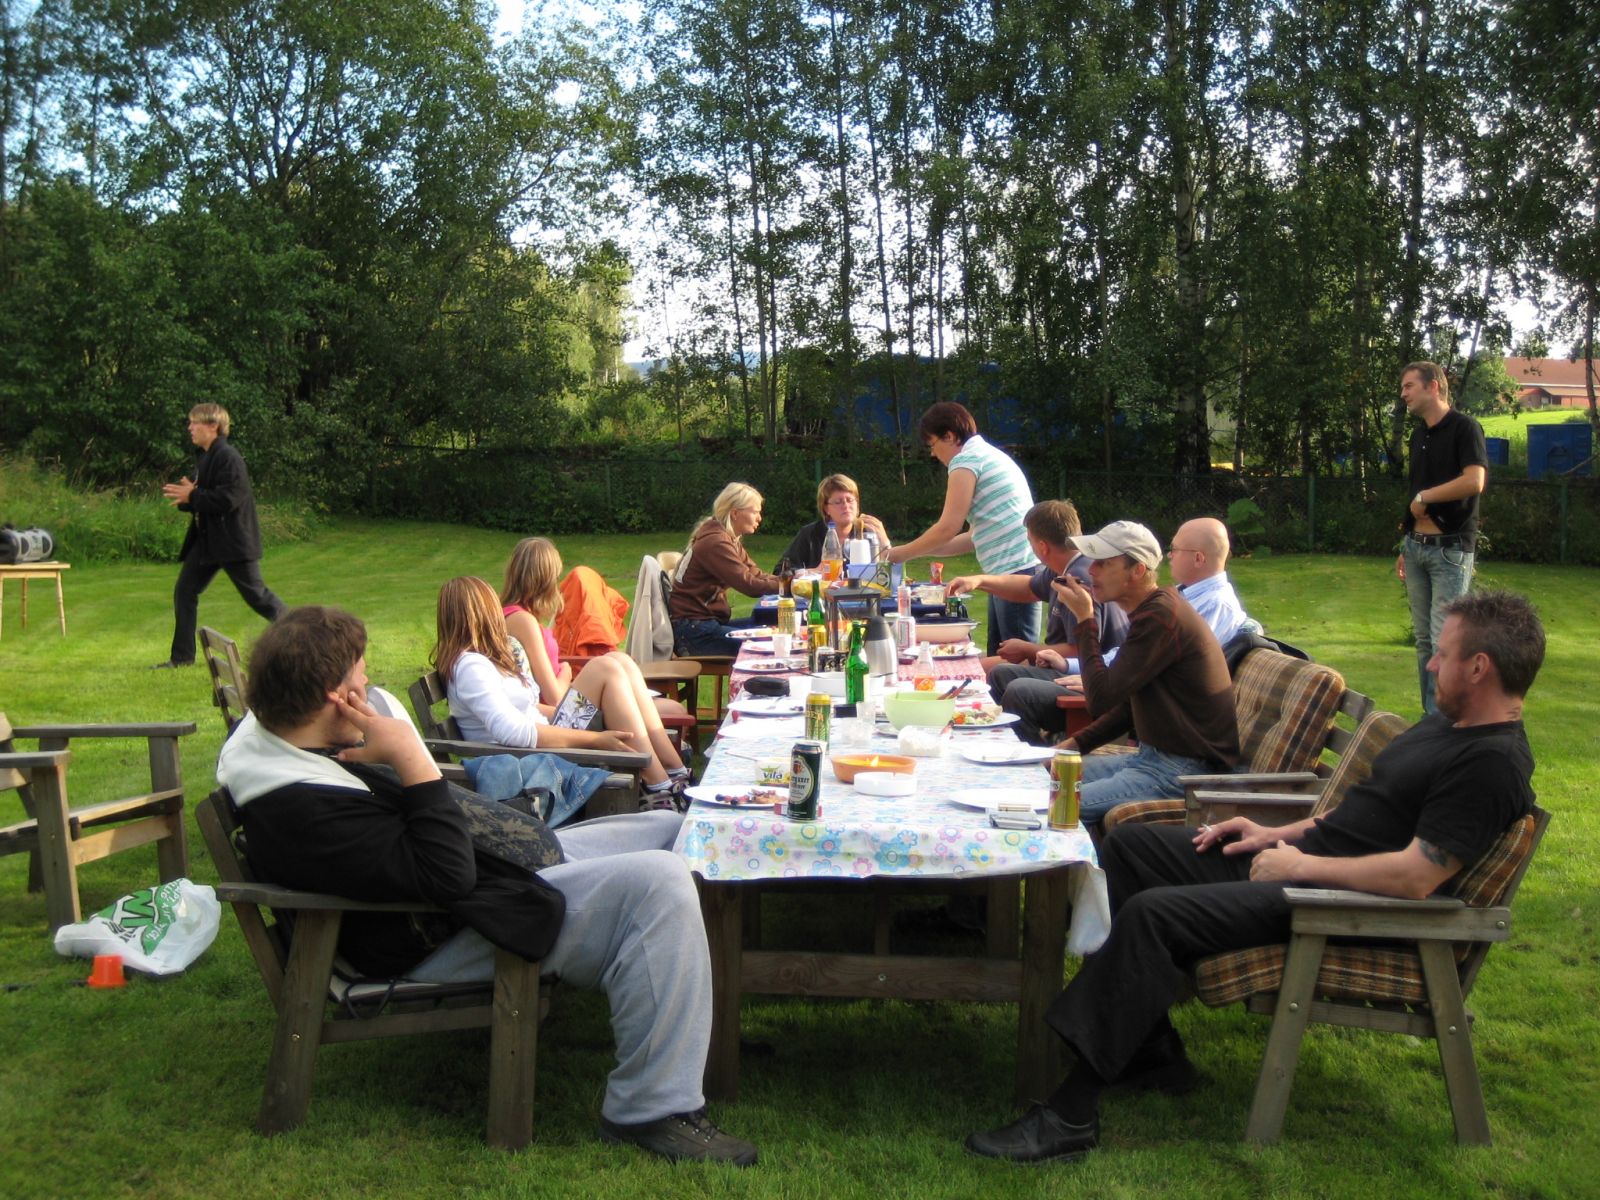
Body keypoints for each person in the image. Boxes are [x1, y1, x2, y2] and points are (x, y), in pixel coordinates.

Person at [965, 589, 1543, 1163]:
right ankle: (1148, 1049)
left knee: (1154, 915)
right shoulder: (1446, 727)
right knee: (1133, 847)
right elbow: (1362, 814)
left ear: (1479, 667)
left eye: (1443, 653)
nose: (1431, 664)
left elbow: (1417, 877)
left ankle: (1070, 1116)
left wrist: (1300, 865)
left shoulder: (1490, 764)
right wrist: (1274, 833)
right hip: (1306, 866)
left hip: (1342, 904)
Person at [216, 606, 758, 1165]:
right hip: (449, 930)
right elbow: (447, 877)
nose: (368, 681)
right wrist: (409, 756)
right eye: (360, 673)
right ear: (335, 697)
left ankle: (693, 1031)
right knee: (659, 881)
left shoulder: (293, 740)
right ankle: (651, 1109)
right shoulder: (304, 808)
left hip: (486, 878)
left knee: (674, 831)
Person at [435, 577, 690, 816]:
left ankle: (674, 771)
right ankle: (660, 789)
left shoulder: (480, 660)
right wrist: (596, 740)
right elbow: (513, 733)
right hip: (531, 757)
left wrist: (586, 714)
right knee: (605, 668)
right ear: (483, 615)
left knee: (619, 660)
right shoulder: (470, 666)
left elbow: (527, 709)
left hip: (543, 743)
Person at [1049, 520, 1239, 829]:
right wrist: (1073, 746)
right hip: (1152, 760)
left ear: (1137, 570)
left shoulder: (1161, 616)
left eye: (1103, 563)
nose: (1091, 570)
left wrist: (1085, 620)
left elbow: (1100, 700)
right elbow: (1128, 707)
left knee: (1056, 805)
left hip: (1182, 773)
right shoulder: (1154, 611)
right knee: (1043, 776)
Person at [945, 500, 1130, 744]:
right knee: (998, 673)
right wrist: (979, 580)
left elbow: (1080, 649)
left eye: (1030, 541)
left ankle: (1034, 753)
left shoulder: (1077, 579)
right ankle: (1001, 743)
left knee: (1011, 686)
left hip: (1089, 678)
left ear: (1042, 546)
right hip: (1072, 667)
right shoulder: (1066, 566)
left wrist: (1029, 649)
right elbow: (1029, 587)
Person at [883, 402, 1039, 655]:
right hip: (1010, 570)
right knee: (1001, 657)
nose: (933, 453)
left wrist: (900, 554)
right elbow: (973, 538)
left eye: (933, 444)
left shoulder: (966, 460)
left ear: (950, 436)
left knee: (1018, 662)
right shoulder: (986, 455)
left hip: (1014, 571)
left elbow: (948, 528)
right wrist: (917, 551)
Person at [500, 538, 688, 725]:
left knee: (620, 663)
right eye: (555, 578)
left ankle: (657, 741)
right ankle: (659, 742)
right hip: (563, 715)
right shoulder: (524, 622)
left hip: (566, 704)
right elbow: (554, 697)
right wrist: (565, 671)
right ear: (545, 581)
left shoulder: (514, 615)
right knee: (670, 708)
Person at [153, 403, 285, 668]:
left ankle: (304, 634)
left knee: (258, 597)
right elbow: (201, 497)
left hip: (233, 542)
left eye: (195, 422)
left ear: (213, 426)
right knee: (185, 590)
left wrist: (193, 495)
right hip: (208, 542)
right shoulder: (205, 457)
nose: (190, 428)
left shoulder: (228, 457)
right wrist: (188, 498)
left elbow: (228, 499)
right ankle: (182, 658)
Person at [1395, 361, 1488, 716]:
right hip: (1416, 549)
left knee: (1443, 643)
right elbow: (1414, 491)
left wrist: (1427, 497)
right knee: (1423, 643)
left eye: (1408, 386)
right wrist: (1405, 544)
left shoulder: (1465, 428)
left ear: (1433, 386)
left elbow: (1475, 481)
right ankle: (1430, 719)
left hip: (1450, 552)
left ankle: (1444, 725)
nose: (1403, 394)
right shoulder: (1419, 436)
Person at [668, 482, 781, 657]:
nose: (759, 518)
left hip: (702, 626)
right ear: (735, 513)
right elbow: (750, 585)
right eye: (755, 512)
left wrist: (793, 581)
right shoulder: (716, 542)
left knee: (775, 629)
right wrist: (792, 586)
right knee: (769, 644)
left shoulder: (726, 537)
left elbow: (755, 574)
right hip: (695, 633)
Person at [776, 474, 893, 570]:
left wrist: (885, 543)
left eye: (850, 500)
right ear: (826, 508)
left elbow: (888, 573)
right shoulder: (810, 534)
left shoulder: (867, 533)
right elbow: (781, 571)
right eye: (838, 502)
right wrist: (813, 572)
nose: (846, 506)